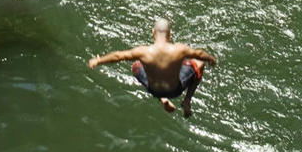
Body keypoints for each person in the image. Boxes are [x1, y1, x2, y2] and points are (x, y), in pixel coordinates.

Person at [87, 18, 217, 117]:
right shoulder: (179, 49)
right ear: (170, 34)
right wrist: (211, 59)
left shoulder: (143, 52)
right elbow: (199, 54)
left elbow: (118, 56)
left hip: (154, 90)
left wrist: (98, 60)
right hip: (175, 90)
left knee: (136, 65)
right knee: (199, 63)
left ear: (153, 32)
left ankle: (163, 99)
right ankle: (187, 100)